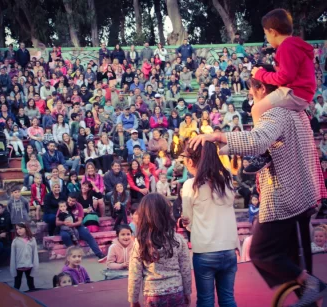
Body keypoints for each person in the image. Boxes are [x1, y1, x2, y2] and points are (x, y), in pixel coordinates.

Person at [189, 72, 327, 306]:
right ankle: (309, 292)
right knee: (293, 259)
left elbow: (258, 140)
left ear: (262, 88)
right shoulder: (297, 111)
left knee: (261, 252)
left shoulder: (275, 112)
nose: (249, 95)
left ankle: (310, 283)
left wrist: (218, 136)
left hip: (286, 199)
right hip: (304, 196)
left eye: (251, 90)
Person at [246, 9, 316, 173]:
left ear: (272, 32)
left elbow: (284, 77)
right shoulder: (295, 45)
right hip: (303, 94)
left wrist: (260, 74)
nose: (267, 39)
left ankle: (262, 153)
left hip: (295, 93)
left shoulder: (286, 47)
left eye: (266, 34)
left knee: (256, 109)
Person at [181, 141, 238, 306]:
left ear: (190, 162)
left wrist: (187, 223)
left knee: (205, 300)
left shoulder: (190, 185)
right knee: (228, 299)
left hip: (205, 250)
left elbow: (188, 220)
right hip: (228, 249)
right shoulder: (227, 181)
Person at [128, 193, 192, 306]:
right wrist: (187, 292)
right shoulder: (178, 240)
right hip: (176, 291)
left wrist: (133, 299)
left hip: (152, 295)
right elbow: (186, 269)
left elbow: (135, 274)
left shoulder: (140, 242)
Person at [56, 193, 105, 260]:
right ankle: (73, 255)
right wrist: (64, 222)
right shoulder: (63, 206)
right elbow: (57, 222)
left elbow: (80, 221)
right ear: (67, 198)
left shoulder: (79, 206)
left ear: (76, 201)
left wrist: (73, 224)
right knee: (65, 236)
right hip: (65, 227)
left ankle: (99, 254)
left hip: (76, 226)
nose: (70, 202)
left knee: (88, 235)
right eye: (69, 200)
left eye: (73, 201)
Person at [10, 223, 39, 290]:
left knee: (31, 284)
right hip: (18, 267)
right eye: (17, 229)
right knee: (17, 285)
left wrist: (35, 266)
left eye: (20, 228)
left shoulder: (32, 240)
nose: (18, 230)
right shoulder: (15, 241)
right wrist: (13, 268)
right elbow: (13, 256)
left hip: (29, 266)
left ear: (26, 228)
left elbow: (35, 255)